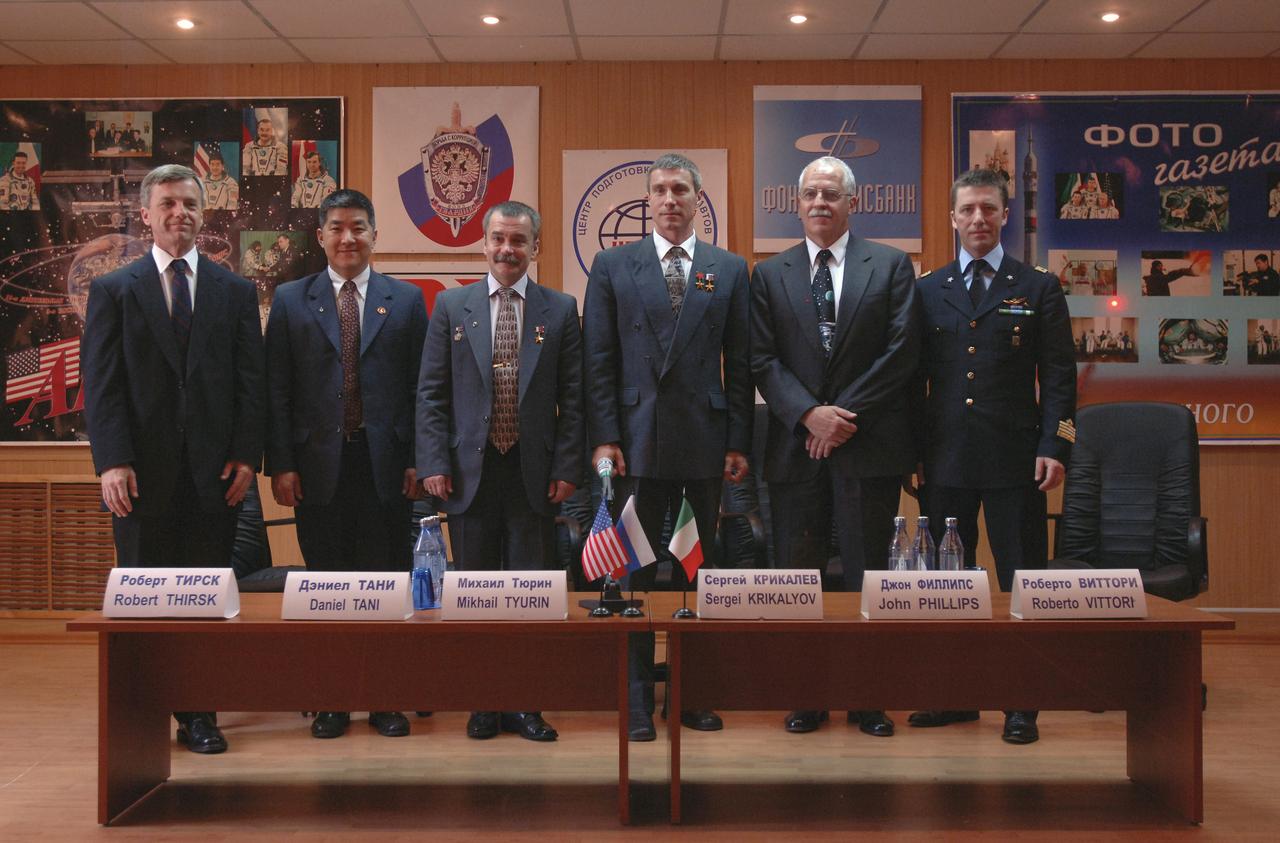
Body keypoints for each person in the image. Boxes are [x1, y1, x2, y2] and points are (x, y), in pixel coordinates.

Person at [82, 164, 265, 754]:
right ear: (146, 214)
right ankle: (140, 710)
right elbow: (101, 383)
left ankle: (198, 714)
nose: (179, 213)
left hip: (214, 479)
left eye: (189, 203)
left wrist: (244, 456)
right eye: (167, 204)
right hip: (138, 478)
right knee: (142, 602)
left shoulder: (234, 291)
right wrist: (111, 460)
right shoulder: (114, 290)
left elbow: (248, 382)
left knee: (203, 602)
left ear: (202, 213)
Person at [583, 152, 752, 742]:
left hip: (705, 442)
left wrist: (738, 440)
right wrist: (604, 436)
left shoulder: (728, 268)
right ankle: (634, 700)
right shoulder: (613, 264)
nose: (670, 198)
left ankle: (690, 696)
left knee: (696, 571)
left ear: (698, 199)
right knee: (630, 576)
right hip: (634, 442)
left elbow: (742, 365)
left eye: (681, 188)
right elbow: (597, 360)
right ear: (648, 201)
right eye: (660, 190)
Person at [750, 156, 919, 739]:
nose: (820, 203)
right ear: (796, 203)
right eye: (811, 194)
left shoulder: (893, 266)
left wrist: (841, 417)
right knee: (797, 577)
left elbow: (901, 354)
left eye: (832, 194)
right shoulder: (770, 274)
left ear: (854, 202)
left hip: (866, 446)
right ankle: (807, 694)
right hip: (796, 450)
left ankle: (867, 698)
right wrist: (808, 415)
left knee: (866, 575)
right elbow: (761, 360)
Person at [911, 168, 1076, 745]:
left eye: (988, 208)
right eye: (968, 210)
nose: (978, 218)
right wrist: (912, 451)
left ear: (1005, 215)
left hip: (1015, 462)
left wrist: (1056, 445)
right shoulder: (927, 289)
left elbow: (1059, 377)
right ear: (953, 218)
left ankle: (1021, 702)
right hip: (944, 459)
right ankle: (951, 695)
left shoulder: (1037, 286)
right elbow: (913, 380)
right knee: (942, 585)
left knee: (1021, 580)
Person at [417, 200, 583, 743]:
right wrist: (435, 461)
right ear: (483, 244)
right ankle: (483, 703)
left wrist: (566, 466)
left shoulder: (559, 309)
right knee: (474, 594)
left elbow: (573, 400)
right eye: (498, 240)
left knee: (530, 595)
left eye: (518, 241)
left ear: (535, 247)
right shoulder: (451, 306)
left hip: (533, 473)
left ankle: (525, 704)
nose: (507, 250)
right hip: (469, 473)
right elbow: (432, 392)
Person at [265, 188, 426, 740]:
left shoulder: (406, 300)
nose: (347, 238)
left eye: (358, 227)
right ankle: (332, 697)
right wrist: (281, 464)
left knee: (385, 582)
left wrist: (417, 460)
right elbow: (277, 389)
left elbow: (419, 390)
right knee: (328, 584)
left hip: (386, 467)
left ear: (375, 234)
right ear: (321, 236)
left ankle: (383, 697)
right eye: (336, 227)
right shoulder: (290, 300)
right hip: (316, 470)